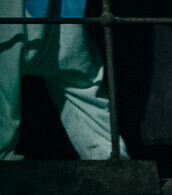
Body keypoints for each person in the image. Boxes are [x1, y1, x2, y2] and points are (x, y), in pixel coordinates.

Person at [0, 0, 128, 161]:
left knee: (3, 99)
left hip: (14, 19)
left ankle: (112, 160)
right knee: (84, 90)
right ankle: (112, 161)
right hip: (63, 19)